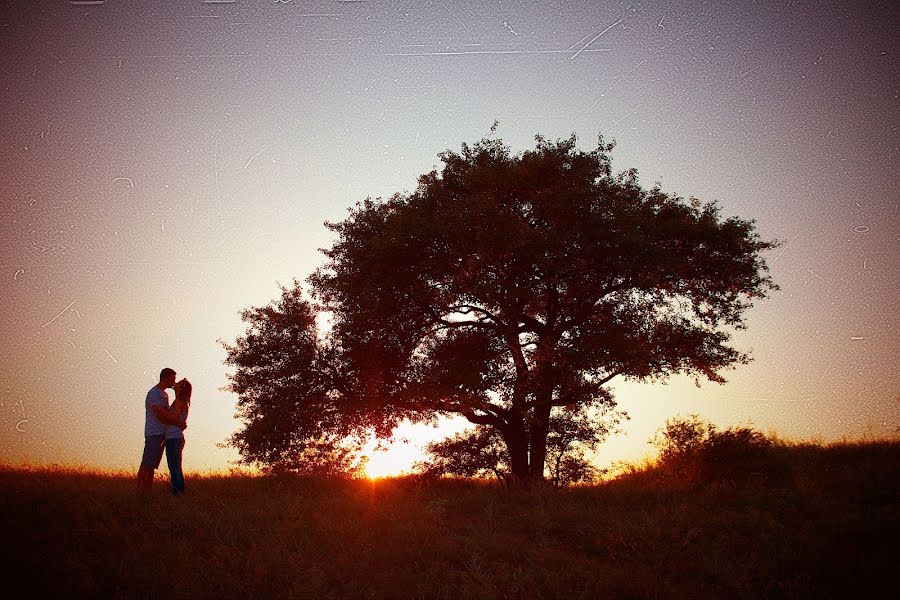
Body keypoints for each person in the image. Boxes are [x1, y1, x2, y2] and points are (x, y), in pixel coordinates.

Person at [136, 368, 185, 494]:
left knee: (152, 465)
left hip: (162, 434)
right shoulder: (153, 393)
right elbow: (162, 415)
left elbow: (169, 414)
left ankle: (147, 491)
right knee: (147, 463)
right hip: (154, 434)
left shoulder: (164, 394)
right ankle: (139, 490)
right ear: (166, 377)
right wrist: (178, 423)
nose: (174, 382)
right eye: (173, 379)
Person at [165, 378, 191, 496]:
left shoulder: (179, 402)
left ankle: (178, 493)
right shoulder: (180, 401)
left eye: (178, 384)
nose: (175, 384)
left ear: (181, 388)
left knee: (174, 466)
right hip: (174, 437)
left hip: (174, 437)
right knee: (175, 466)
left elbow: (174, 418)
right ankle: (178, 492)